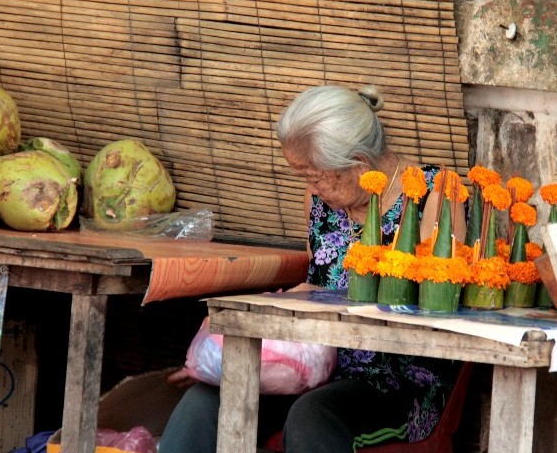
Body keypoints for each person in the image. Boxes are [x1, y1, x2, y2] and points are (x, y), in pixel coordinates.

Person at [159, 85, 467, 453]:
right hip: (316, 368)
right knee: (204, 402)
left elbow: (436, 307)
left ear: (358, 163)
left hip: (396, 382)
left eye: (316, 176)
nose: (311, 188)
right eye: (303, 175)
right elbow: (313, 286)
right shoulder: (321, 201)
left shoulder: (435, 195)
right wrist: (218, 357)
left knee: (312, 416)